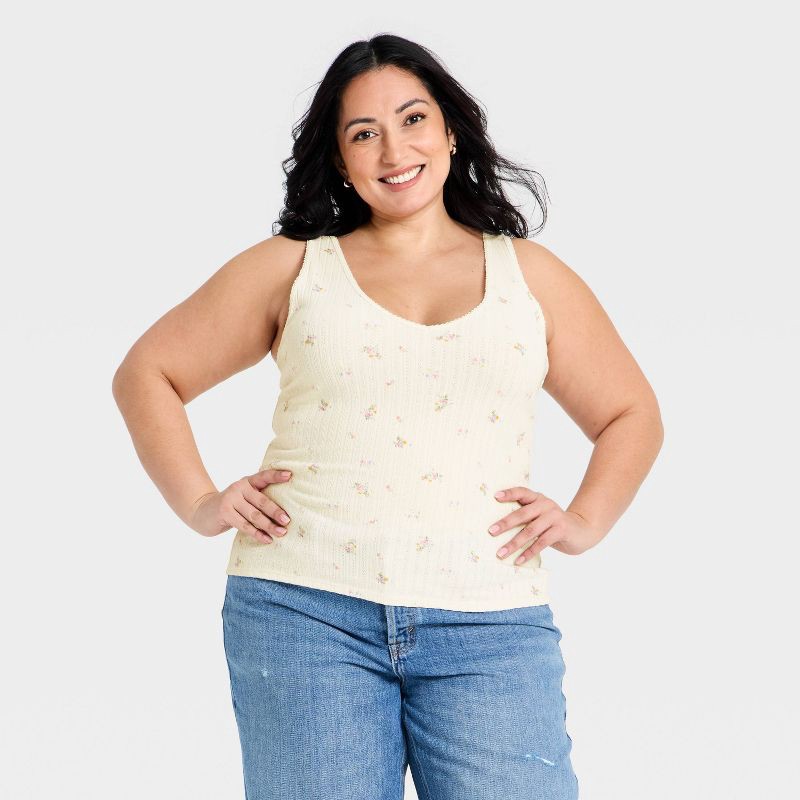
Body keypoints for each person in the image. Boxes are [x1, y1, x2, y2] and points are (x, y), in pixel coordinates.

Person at [112, 33, 663, 800]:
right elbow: (148, 373)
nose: (394, 150)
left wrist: (584, 521)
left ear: (450, 131)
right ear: (340, 159)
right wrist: (200, 501)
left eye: (412, 119)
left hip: (489, 621)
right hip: (303, 613)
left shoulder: (530, 278)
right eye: (364, 133)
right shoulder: (295, 266)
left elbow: (632, 413)